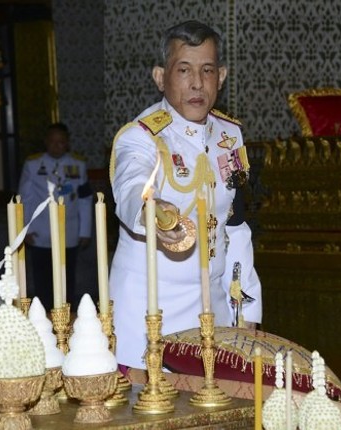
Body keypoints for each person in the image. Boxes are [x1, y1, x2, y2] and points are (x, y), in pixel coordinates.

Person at [109, 20, 261, 370]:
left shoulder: (230, 135)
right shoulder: (142, 136)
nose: (197, 83)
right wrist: (152, 209)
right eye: (184, 70)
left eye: (207, 70)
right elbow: (131, 186)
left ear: (221, 76)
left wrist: (247, 308)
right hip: (148, 308)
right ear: (160, 77)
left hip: (213, 306)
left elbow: (235, 226)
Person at [18, 123, 93, 310]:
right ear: (46, 142)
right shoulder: (33, 164)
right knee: (42, 280)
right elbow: (24, 199)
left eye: (61, 142)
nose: (56, 146)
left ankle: (66, 317)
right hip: (40, 233)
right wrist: (25, 228)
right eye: (52, 142)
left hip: (69, 232)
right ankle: (43, 316)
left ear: (67, 143)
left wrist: (85, 231)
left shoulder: (78, 164)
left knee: (66, 278)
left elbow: (85, 199)